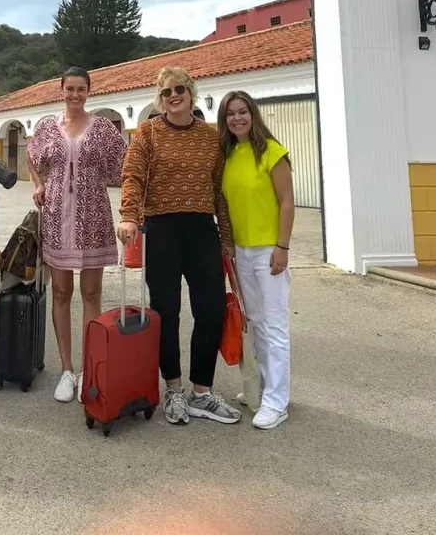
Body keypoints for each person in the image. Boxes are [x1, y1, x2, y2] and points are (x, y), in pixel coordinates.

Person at [118, 66, 241, 427]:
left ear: (191, 93)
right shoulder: (148, 132)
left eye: (180, 89)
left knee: (211, 311)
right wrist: (128, 216)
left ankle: (200, 392)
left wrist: (228, 238)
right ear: (161, 98)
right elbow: (133, 176)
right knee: (166, 312)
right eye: (167, 91)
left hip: (202, 229)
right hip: (162, 230)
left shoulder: (211, 136)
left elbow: (219, 190)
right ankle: (172, 389)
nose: (174, 96)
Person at [26, 67, 126, 403]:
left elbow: (121, 166)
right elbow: (30, 156)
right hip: (56, 216)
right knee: (61, 293)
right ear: (61, 90)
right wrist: (40, 184)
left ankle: (90, 369)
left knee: (92, 293)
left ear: (88, 91)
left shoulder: (103, 129)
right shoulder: (47, 128)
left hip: (93, 216)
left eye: (81, 89)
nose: (75, 95)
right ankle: (67, 370)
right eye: (69, 89)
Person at [218, 91, 294, 430]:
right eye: (231, 114)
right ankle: (263, 389)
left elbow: (287, 201)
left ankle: (278, 402)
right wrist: (230, 245)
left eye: (243, 112)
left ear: (253, 114)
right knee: (256, 323)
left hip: (269, 250)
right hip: (243, 252)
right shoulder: (229, 155)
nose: (237, 118)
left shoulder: (272, 153)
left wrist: (283, 246)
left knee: (275, 326)